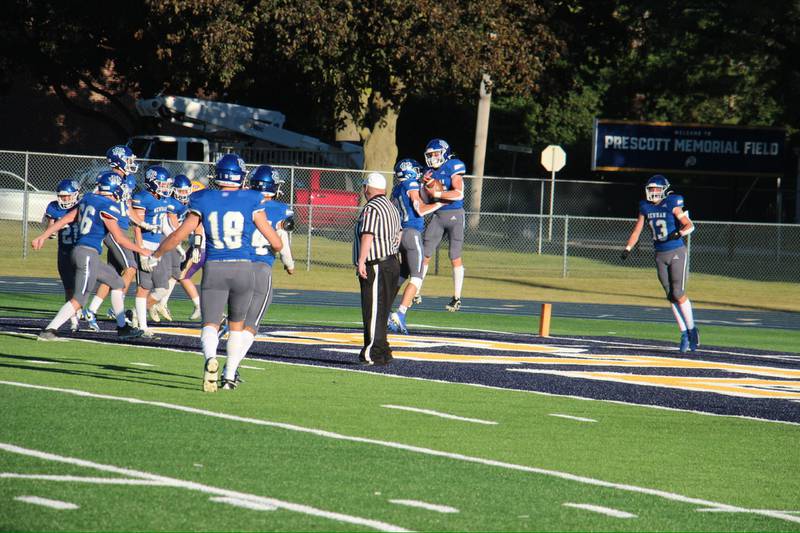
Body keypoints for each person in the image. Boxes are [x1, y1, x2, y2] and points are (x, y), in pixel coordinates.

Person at [147, 154, 282, 392]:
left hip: (215, 267)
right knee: (237, 325)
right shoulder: (252, 198)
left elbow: (179, 235)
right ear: (241, 177)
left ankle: (210, 358)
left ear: (217, 175)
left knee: (210, 324)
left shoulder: (203, 198)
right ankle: (229, 375)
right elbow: (276, 243)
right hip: (244, 267)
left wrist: (156, 255)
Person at [31, 173, 150, 340]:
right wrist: (141, 250)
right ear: (115, 190)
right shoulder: (108, 207)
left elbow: (66, 219)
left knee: (116, 282)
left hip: (83, 252)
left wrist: (43, 236)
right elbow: (120, 239)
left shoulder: (87, 198)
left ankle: (122, 327)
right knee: (79, 299)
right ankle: (49, 330)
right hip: (87, 253)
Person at [222, 165, 296, 387]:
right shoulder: (281, 210)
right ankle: (230, 370)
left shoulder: (241, 203)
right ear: (272, 186)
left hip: (236, 265)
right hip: (261, 268)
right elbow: (281, 240)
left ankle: (221, 335)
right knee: (251, 325)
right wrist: (289, 264)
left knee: (237, 320)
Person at [622, 174, 699, 353]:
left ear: (664, 190)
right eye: (651, 189)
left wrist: (679, 234)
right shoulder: (645, 207)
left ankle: (692, 329)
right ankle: (683, 333)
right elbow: (637, 230)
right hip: (659, 253)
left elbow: (689, 225)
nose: (654, 192)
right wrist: (627, 248)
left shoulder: (672, 203)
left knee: (678, 292)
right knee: (670, 295)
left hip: (676, 251)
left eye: (657, 189)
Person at [84, 145, 151, 331]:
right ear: (118, 160)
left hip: (121, 227)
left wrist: (141, 223)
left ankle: (91, 310)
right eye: (129, 160)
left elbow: (127, 205)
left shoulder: (128, 180)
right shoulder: (107, 180)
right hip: (112, 230)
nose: (132, 163)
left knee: (113, 274)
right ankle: (117, 306)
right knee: (131, 267)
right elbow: (94, 198)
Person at [387, 158, 445, 334]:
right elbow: (419, 209)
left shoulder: (396, 189)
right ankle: (401, 313)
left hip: (400, 234)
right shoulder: (411, 184)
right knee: (417, 277)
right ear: (410, 172)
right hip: (412, 234)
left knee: (403, 273)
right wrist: (439, 203)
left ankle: (384, 308)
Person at [353, 172, 401, 365]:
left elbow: (368, 235)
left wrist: (362, 260)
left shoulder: (372, 207)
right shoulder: (391, 206)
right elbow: (399, 234)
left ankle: (371, 351)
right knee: (382, 310)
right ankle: (382, 350)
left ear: (367, 188)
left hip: (377, 264)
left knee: (372, 310)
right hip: (391, 261)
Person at [416, 138, 467, 312]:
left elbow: (459, 193)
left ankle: (456, 297)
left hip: (455, 215)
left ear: (444, 153)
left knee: (454, 255)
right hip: (438, 214)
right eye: (430, 155)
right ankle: (416, 290)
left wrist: (439, 192)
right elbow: (424, 198)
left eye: (436, 154)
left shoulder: (453, 165)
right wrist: (424, 184)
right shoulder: (429, 171)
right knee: (426, 252)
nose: (432, 158)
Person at [130, 165, 178, 336]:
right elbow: (137, 226)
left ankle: (135, 314)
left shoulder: (164, 199)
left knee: (162, 289)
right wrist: (141, 250)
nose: (165, 187)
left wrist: (176, 241)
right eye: (162, 184)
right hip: (145, 246)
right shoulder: (142, 198)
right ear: (152, 183)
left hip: (158, 249)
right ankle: (142, 327)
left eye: (166, 184)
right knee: (144, 287)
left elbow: (164, 223)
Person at [150, 174, 202, 321]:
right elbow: (172, 225)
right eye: (182, 191)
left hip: (173, 240)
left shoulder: (187, 204)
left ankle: (161, 303)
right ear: (174, 190)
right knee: (165, 278)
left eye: (187, 191)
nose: (184, 195)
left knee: (176, 274)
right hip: (165, 239)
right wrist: (178, 242)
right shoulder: (171, 202)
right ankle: (147, 306)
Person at [43, 179, 82, 332]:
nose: (64, 199)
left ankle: (82, 309)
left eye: (67, 196)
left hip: (81, 250)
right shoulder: (54, 207)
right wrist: (51, 229)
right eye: (62, 196)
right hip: (64, 251)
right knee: (69, 288)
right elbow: (50, 228)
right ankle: (73, 321)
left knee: (82, 286)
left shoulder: (82, 206)